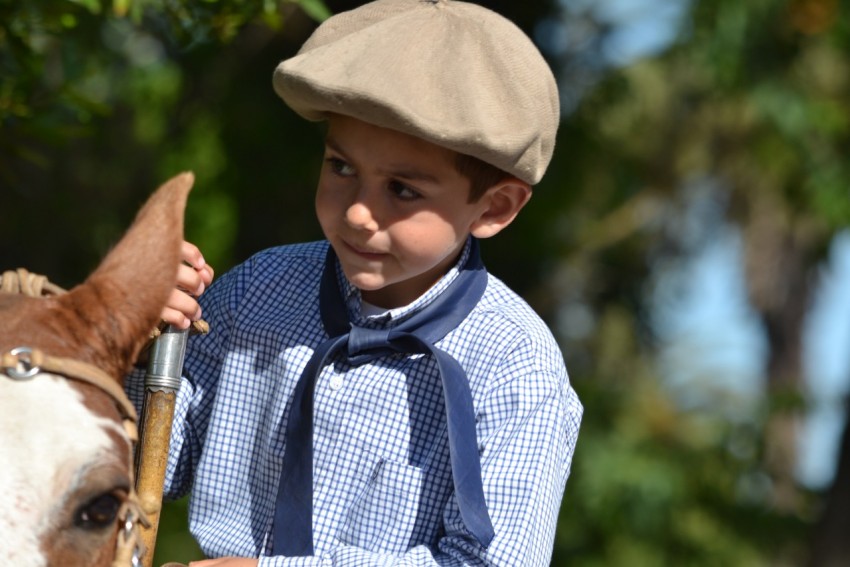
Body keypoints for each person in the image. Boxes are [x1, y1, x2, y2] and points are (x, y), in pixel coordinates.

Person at [128, 1, 583, 565]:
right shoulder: (258, 291)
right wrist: (130, 334)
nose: (359, 213)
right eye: (341, 168)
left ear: (495, 207)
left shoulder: (516, 367)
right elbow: (132, 466)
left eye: (403, 190)